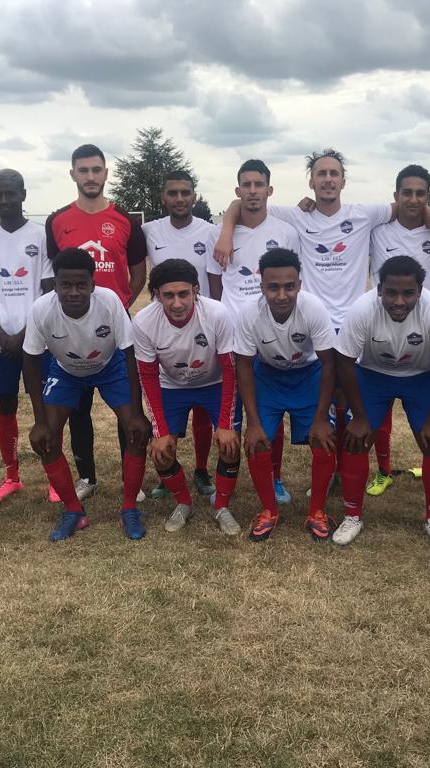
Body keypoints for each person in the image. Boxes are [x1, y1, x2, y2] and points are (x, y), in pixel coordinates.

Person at [215, 150, 430, 489]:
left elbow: (410, 203)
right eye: (321, 173)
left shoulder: (363, 214)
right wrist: (226, 229)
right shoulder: (294, 215)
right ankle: (303, 474)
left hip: (354, 322)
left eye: (334, 173)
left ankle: (344, 471)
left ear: (343, 180)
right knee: (314, 396)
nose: (328, 179)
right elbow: (243, 203)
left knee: (348, 399)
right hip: (311, 321)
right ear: (311, 182)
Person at [21, 247, 150, 541]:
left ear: (93, 284)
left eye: (82, 284)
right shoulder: (41, 309)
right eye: (65, 284)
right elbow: (30, 361)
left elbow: (130, 354)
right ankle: (73, 510)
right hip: (66, 370)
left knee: (137, 431)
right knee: (46, 438)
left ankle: (129, 506)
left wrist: (139, 413)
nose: (74, 292)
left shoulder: (110, 302)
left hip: (110, 366)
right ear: (55, 285)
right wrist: (39, 420)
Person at [333, 255, 430, 549]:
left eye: (408, 293)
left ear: (420, 291)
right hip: (373, 375)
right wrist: (360, 417)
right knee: (355, 439)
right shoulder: (363, 309)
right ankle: (352, 515)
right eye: (391, 292)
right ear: (379, 290)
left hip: (422, 376)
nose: (399, 301)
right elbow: (344, 362)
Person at [45, 144, 147, 503]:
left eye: (96, 170)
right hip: (72, 328)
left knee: (128, 408)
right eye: (83, 170)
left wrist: (116, 308)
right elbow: (54, 274)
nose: (90, 177)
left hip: (113, 329)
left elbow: (138, 274)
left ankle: (130, 477)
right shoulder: (57, 221)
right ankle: (86, 476)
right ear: (73, 174)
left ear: (106, 173)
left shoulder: (126, 221)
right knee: (77, 409)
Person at [365, 164, 430, 498]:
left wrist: (429, 290)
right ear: (395, 196)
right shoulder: (378, 229)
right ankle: (382, 470)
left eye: (421, 193)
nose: (413, 199)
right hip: (382, 326)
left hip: (424, 332)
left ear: (428, 197)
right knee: (381, 404)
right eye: (407, 192)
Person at [207, 159, 301, 505]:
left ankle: (274, 478)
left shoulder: (286, 231)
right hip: (233, 338)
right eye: (245, 185)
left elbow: (291, 282)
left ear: (269, 190)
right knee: (229, 415)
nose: (252, 191)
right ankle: (225, 481)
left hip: (272, 336)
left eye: (258, 184)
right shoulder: (221, 233)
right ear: (237, 191)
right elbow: (216, 285)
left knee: (267, 415)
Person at [234, 248, 338, 541]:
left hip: (309, 375)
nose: (282, 295)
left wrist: (321, 418)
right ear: (261, 285)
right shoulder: (248, 313)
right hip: (268, 377)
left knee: (324, 439)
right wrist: (252, 422)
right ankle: (269, 511)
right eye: (273, 287)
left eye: (289, 287)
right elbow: (243, 366)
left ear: (299, 285)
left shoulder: (313, 308)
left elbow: (329, 363)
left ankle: (316, 512)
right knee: (257, 442)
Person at [133, 259, 242, 536]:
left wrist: (226, 425)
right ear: (156, 295)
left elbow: (230, 368)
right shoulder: (144, 321)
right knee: (160, 451)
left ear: (196, 290)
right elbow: (147, 376)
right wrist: (158, 431)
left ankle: (221, 505)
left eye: (184, 294)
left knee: (230, 443)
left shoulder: (217, 313)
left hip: (215, 382)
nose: (177, 303)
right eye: (168, 295)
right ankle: (183, 502)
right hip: (172, 387)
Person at [0, 169, 55, 504]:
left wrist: (25, 333)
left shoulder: (41, 236)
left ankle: (53, 475)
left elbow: (49, 292)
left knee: (47, 408)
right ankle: (12, 477)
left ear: (23, 194)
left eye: (10, 193)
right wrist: (1, 334)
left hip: (39, 339)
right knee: (5, 407)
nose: (4, 200)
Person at [143, 170, 221, 499]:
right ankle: (167, 473)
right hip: (167, 325)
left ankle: (202, 470)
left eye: (185, 193)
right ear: (164, 197)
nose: (179, 198)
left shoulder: (212, 231)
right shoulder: (148, 230)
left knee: (203, 410)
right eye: (172, 193)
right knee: (171, 400)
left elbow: (215, 279)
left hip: (201, 324)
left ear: (194, 196)